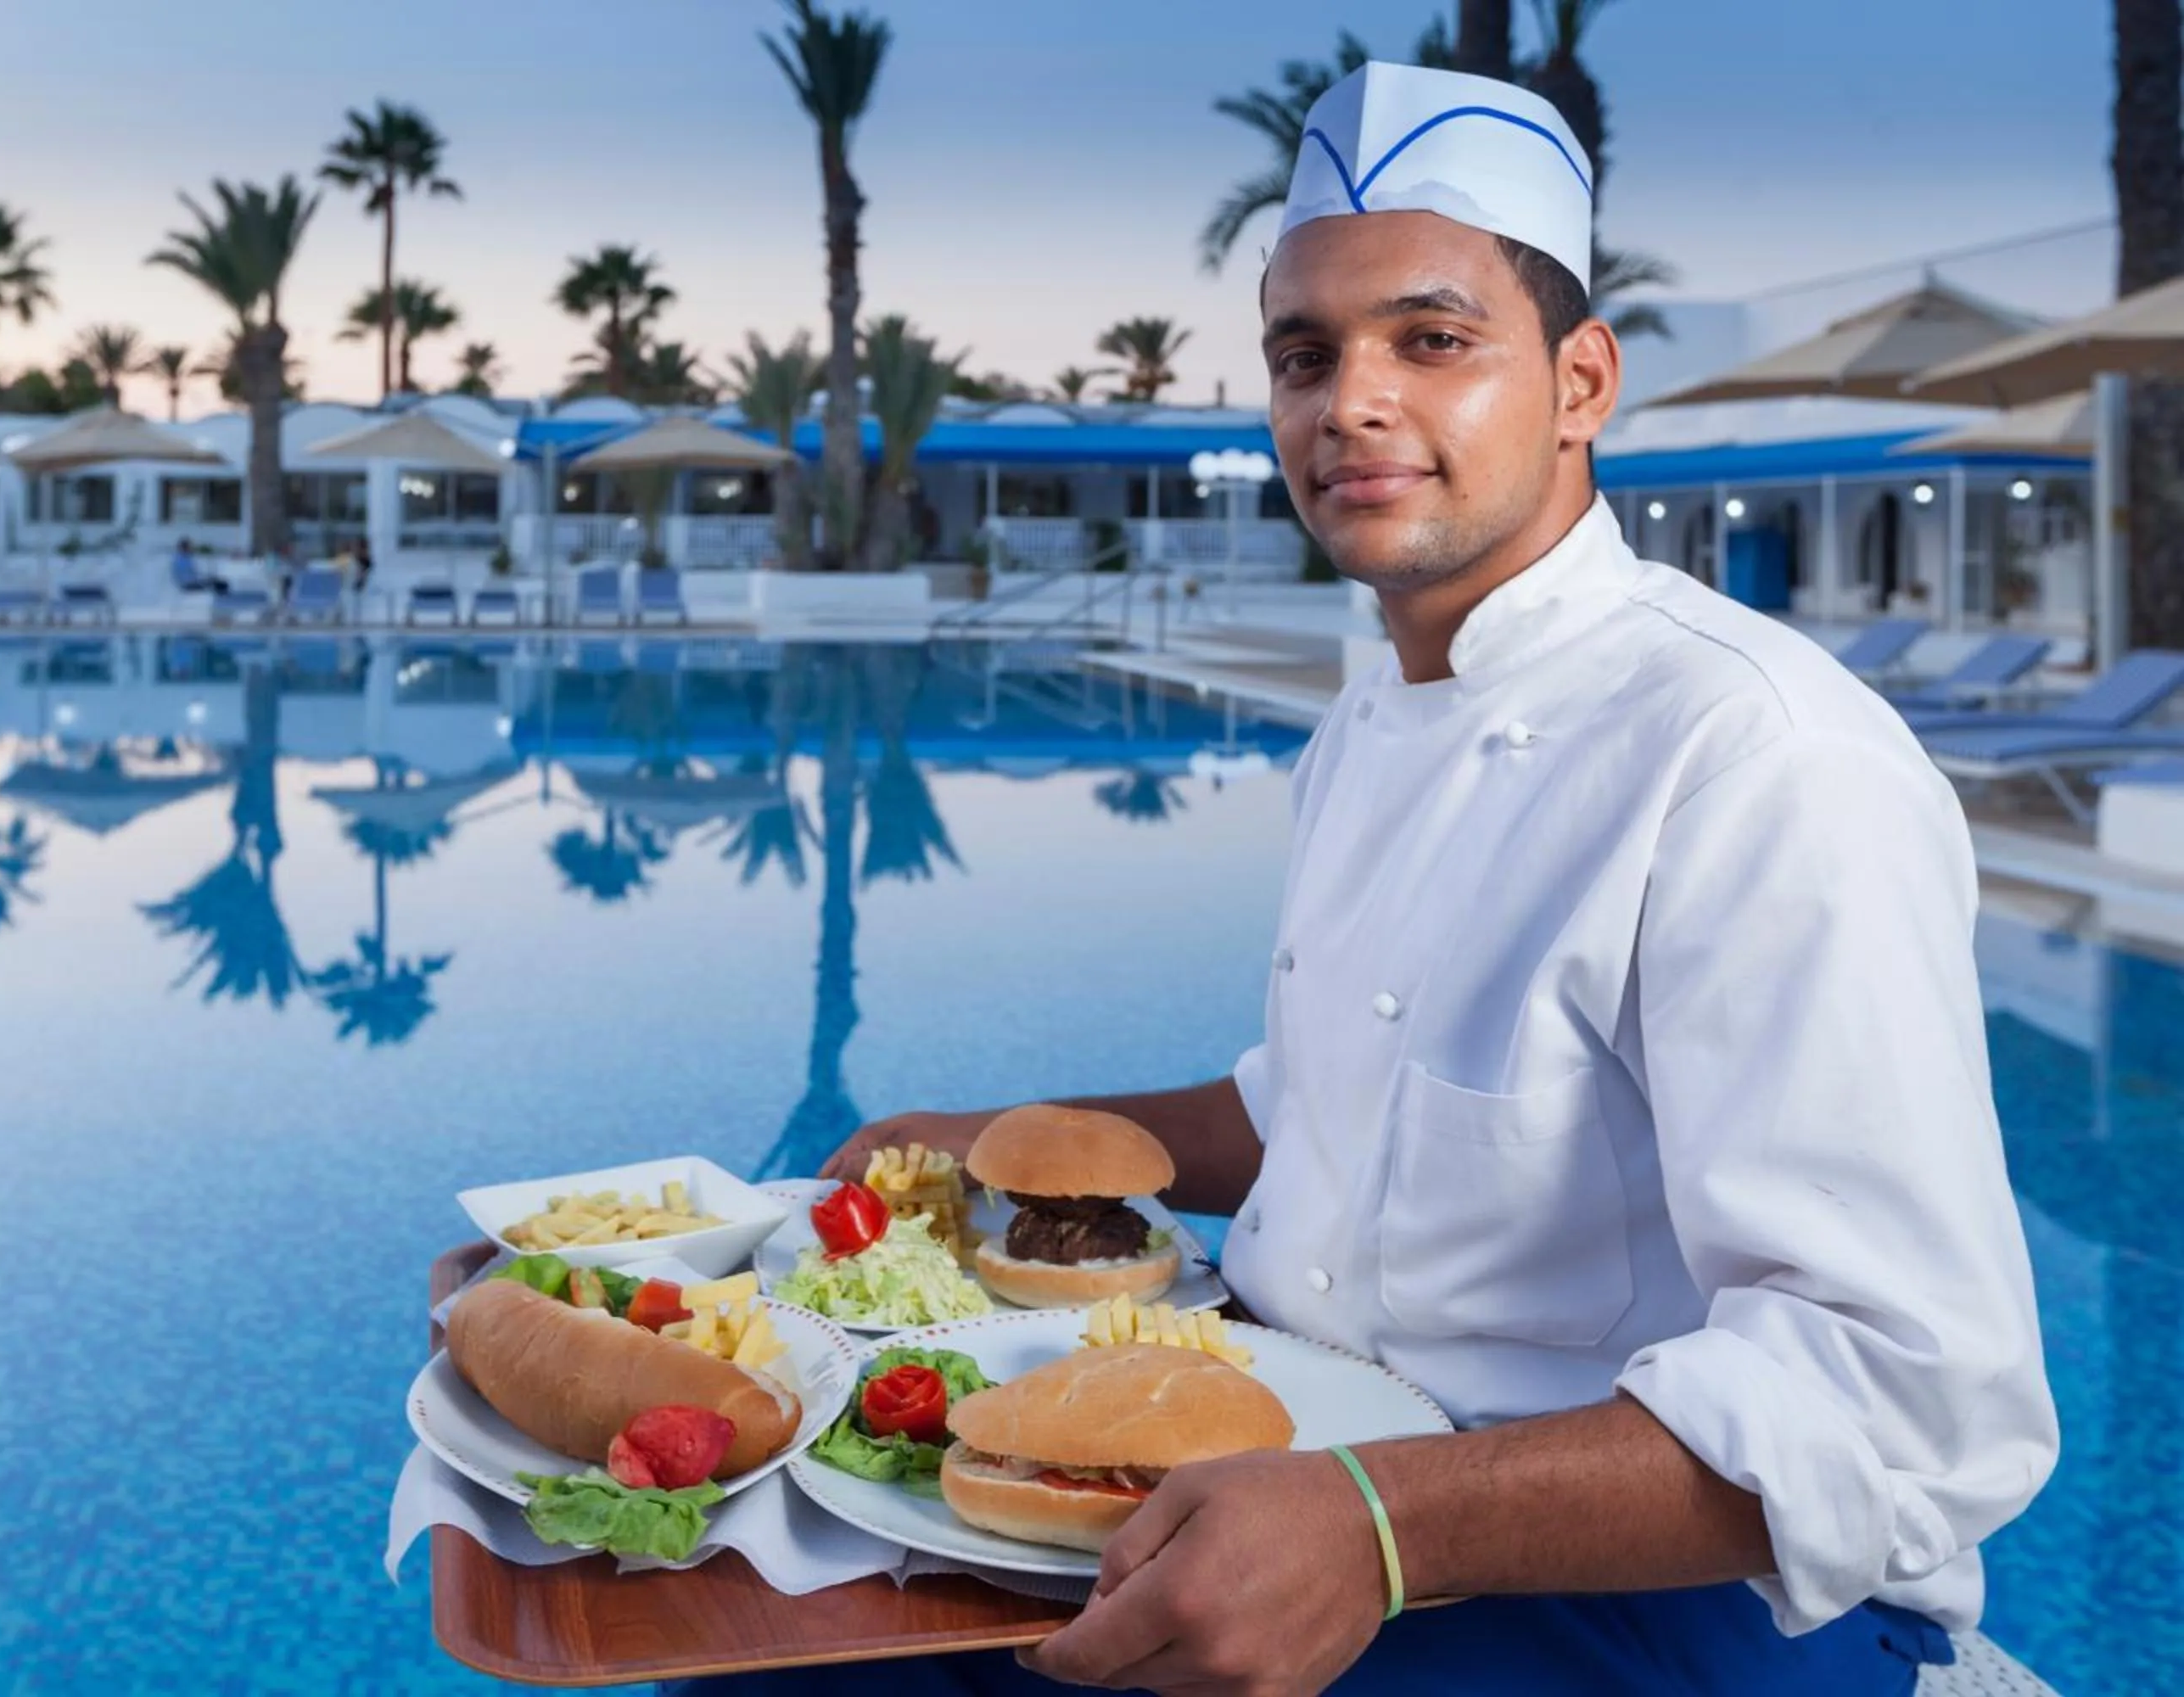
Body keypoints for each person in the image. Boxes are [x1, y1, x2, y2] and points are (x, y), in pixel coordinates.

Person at [689, 62, 2056, 1697]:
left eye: (1433, 340)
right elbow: (1327, 1115)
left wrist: (1383, 1526)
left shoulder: (1757, 756)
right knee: (733, 1613)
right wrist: (975, 1140)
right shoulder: (1368, 723)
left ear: (1581, 381)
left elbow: (1904, 1402)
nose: (1351, 402)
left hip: (1666, 1590)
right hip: (1308, 1453)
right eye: (1305, 354)